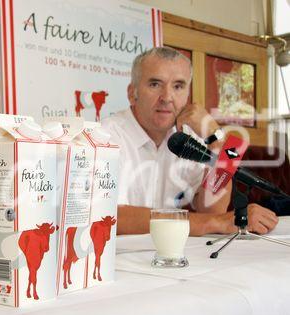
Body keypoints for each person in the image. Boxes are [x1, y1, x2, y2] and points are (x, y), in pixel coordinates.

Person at [101, 47, 278, 236]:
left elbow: (212, 210)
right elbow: (110, 217)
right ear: (132, 93)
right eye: (155, 84)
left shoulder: (193, 137)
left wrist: (217, 139)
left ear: (187, 95)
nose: (167, 97)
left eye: (178, 86)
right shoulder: (104, 137)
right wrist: (212, 223)